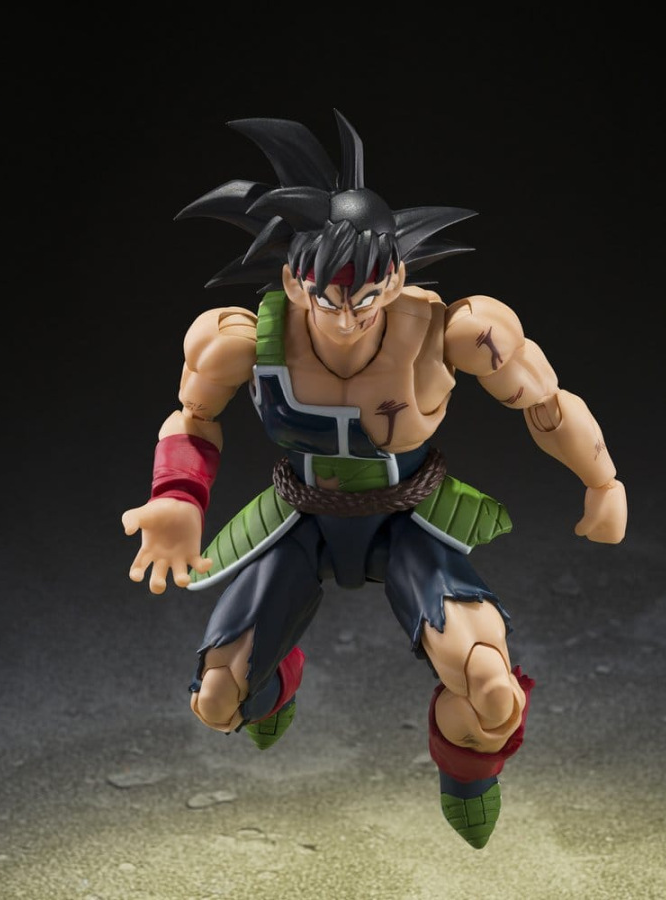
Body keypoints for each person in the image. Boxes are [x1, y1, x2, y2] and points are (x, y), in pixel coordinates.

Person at [122, 111, 627, 849]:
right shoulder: (240, 340)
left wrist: (602, 481)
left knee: (491, 689)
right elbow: (192, 418)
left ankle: (468, 776)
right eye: (326, 294)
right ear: (294, 279)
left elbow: (545, 402)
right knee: (218, 700)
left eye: (363, 293)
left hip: (408, 521)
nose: (345, 315)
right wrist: (177, 498)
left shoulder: (452, 331)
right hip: (300, 521)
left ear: (394, 277)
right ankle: (276, 683)